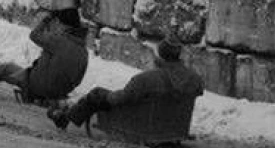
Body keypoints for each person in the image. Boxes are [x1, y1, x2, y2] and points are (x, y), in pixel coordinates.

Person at [48, 36, 204, 130]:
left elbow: (121, 99)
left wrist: (107, 96)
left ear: (160, 57)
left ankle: (65, 119)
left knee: (97, 94)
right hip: (173, 125)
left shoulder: (147, 79)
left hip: (144, 122)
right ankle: (68, 115)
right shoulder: (194, 79)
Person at [0, 7, 88, 105]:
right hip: (61, 93)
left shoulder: (58, 41)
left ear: (64, 25)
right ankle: (42, 98)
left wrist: (46, 20)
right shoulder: (84, 52)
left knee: (7, 69)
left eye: (58, 23)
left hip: (38, 85)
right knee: (26, 72)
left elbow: (34, 35)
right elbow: (78, 80)